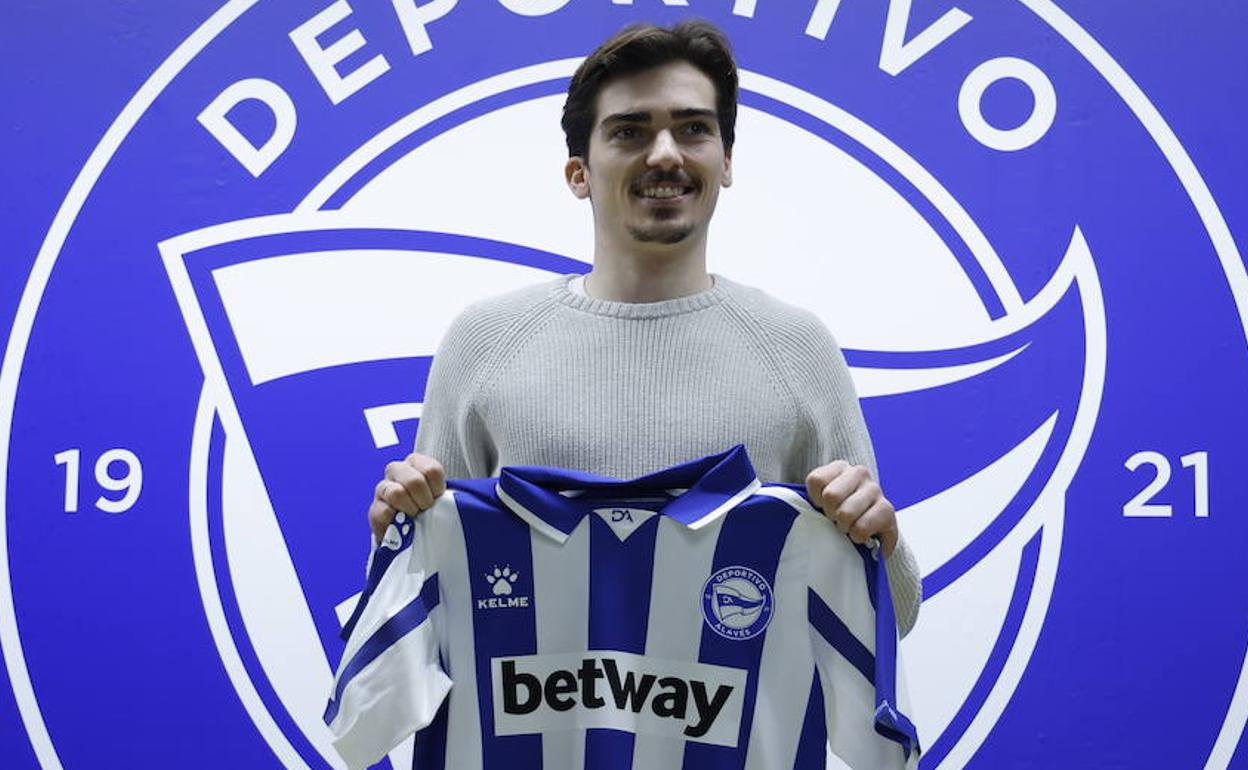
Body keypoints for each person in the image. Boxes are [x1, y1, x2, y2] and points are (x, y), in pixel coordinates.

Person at [366, 20, 921, 634]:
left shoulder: (797, 347)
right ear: (579, 173)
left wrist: (881, 540)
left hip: (739, 734)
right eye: (630, 132)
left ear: (726, 161)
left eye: (693, 128)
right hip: (534, 730)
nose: (665, 154)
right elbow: (411, 611)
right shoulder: (485, 341)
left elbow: (890, 619)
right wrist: (398, 532)